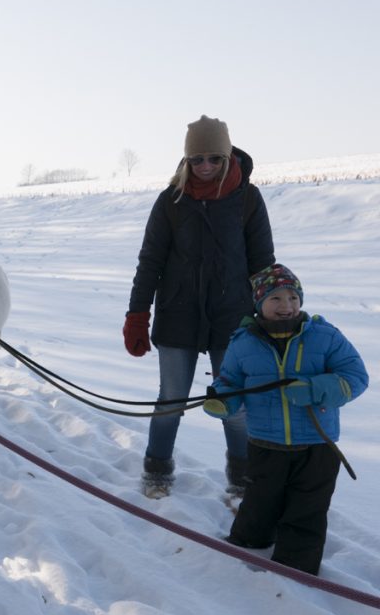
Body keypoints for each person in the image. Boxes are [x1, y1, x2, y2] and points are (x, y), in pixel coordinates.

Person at [123, 115, 275, 499]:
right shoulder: (171, 201)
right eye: (196, 160)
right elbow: (150, 262)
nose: (205, 166)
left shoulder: (248, 199)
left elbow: (263, 264)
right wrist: (137, 315)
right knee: (170, 399)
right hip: (178, 314)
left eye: (212, 158)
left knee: (234, 404)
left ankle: (242, 478)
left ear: (226, 156)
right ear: (186, 161)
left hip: (234, 317)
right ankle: (157, 468)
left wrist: (270, 317)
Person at [204, 264, 368, 575]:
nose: (286, 306)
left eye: (293, 297)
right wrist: (222, 400)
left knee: (308, 508)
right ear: (259, 304)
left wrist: (314, 388)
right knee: (260, 501)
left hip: (316, 444)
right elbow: (230, 380)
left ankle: (296, 568)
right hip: (266, 441)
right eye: (276, 298)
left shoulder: (325, 336)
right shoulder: (243, 342)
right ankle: (248, 545)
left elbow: (355, 377)